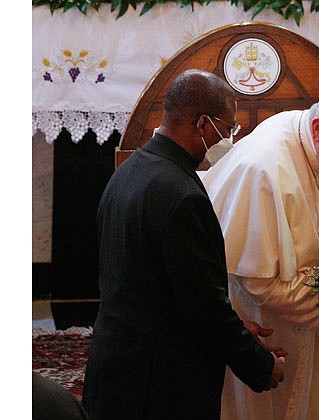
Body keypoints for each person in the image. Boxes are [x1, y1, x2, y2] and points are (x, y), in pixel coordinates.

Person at [82, 69, 285, 420]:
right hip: (161, 384)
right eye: (228, 128)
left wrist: (235, 327)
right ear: (203, 124)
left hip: (116, 365)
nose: (229, 139)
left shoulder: (127, 173)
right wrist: (260, 365)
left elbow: (152, 285)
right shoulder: (181, 194)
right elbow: (203, 305)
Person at [201, 81, 319, 420]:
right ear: (318, 128)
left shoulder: (318, 142)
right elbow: (256, 281)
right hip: (264, 326)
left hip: (305, 321)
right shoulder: (264, 168)